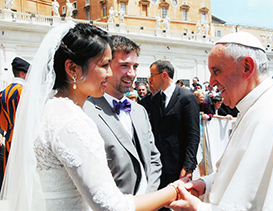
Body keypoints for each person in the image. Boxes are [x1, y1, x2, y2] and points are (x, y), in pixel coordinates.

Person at [0, 22, 186, 210]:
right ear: (73, 69)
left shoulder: (51, 109)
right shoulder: (72, 120)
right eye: (105, 65)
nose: (109, 73)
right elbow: (112, 206)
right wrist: (174, 190)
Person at [169, 31, 273, 210]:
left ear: (246, 67)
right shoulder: (256, 106)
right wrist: (206, 184)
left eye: (216, 71)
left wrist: (198, 208)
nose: (211, 82)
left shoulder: (272, 116)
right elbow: (240, 173)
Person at [84, 35, 162, 195]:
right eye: (124, 66)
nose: (132, 73)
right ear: (106, 66)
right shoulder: (86, 110)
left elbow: (153, 157)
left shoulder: (139, 111)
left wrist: (148, 195)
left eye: (135, 66)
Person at [148, 60, 200, 205]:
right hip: (158, 165)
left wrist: (188, 165)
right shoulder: (154, 99)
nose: (150, 79)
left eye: (152, 75)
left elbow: (193, 134)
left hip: (179, 165)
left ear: (164, 75)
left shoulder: (186, 98)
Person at [0, 57, 30, 173]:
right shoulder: (23, 91)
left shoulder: (3, 92)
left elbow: (2, 123)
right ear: (23, 74)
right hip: (22, 139)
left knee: (10, 173)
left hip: (9, 138)